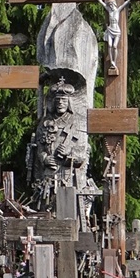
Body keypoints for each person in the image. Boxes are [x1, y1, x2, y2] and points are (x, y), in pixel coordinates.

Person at [30, 77, 89, 206]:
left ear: (69, 102)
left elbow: (83, 154)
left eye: (63, 100)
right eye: (57, 100)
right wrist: (45, 158)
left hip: (68, 174)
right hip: (48, 174)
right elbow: (39, 148)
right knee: (46, 205)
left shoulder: (77, 123)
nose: (60, 103)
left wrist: (69, 153)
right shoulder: (45, 122)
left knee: (67, 207)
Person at [90, 0, 138, 70]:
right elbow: (101, 2)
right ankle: (111, 61)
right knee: (109, 45)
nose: (111, 6)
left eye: (112, 5)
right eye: (110, 5)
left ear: (115, 4)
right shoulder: (109, 11)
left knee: (114, 46)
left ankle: (114, 62)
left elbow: (126, 2)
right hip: (110, 30)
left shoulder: (117, 10)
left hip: (116, 31)